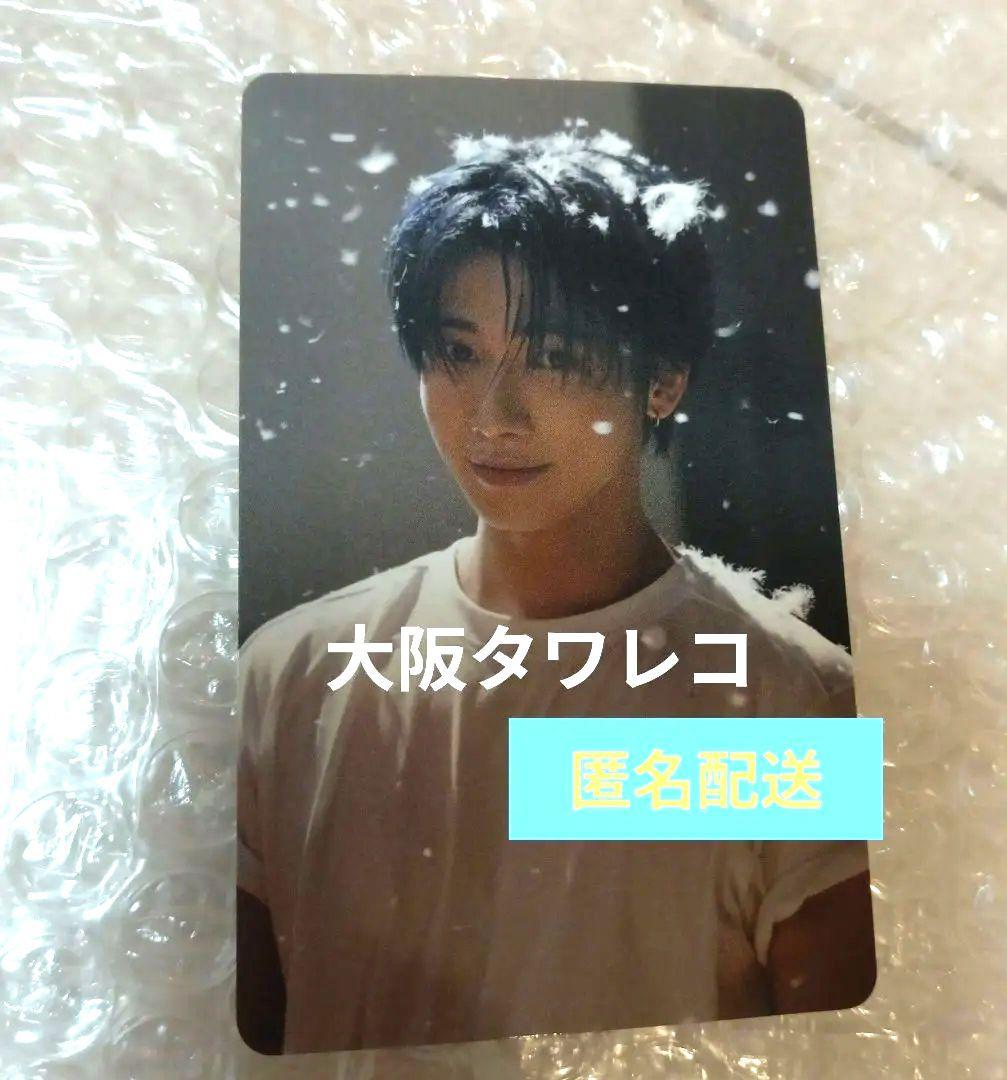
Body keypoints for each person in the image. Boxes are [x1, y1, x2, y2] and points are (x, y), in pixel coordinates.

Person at [236, 129, 875, 1055]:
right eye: (459, 354)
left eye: (554, 357)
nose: (495, 417)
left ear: (664, 379)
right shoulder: (291, 673)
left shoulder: (792, 701)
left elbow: (851, 1051)